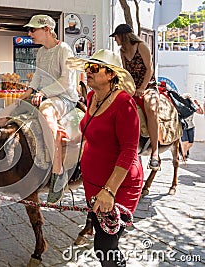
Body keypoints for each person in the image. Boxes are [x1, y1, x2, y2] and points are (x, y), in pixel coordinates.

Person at [68, 49, 143, 267]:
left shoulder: (124, 103)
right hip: (94, 184)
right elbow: (91, 133)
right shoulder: (91, 97)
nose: (88, 72)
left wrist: (109, 190)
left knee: (104, 247)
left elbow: (129, 150)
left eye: (94, 68)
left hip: (119, 186)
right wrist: (69, 141)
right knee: (104, 244)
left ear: (111, 75)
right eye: (87, 68)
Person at [17, 14, 79, 203]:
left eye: (33, 29)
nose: (29, 33)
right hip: (45, 94)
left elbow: (66, 81)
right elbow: (38, 76)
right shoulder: (41, 52)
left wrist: (43, 93)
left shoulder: (64, 49)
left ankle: (57, 172)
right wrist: (25, 95)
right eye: (29, 30)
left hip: (64, 98)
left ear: (47, 30)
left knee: (46, 112)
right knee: (8, 114)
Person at [110, 23, 161, 171]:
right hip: (132, 87)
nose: (115, 40)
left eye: (116, 37)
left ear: (123, 36)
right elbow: (126, 72)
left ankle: (155, 152)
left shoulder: (141, 46)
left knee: (151, 108)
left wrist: (142, 88)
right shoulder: (122, 51)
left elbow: (150, 68)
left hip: (148, 86)